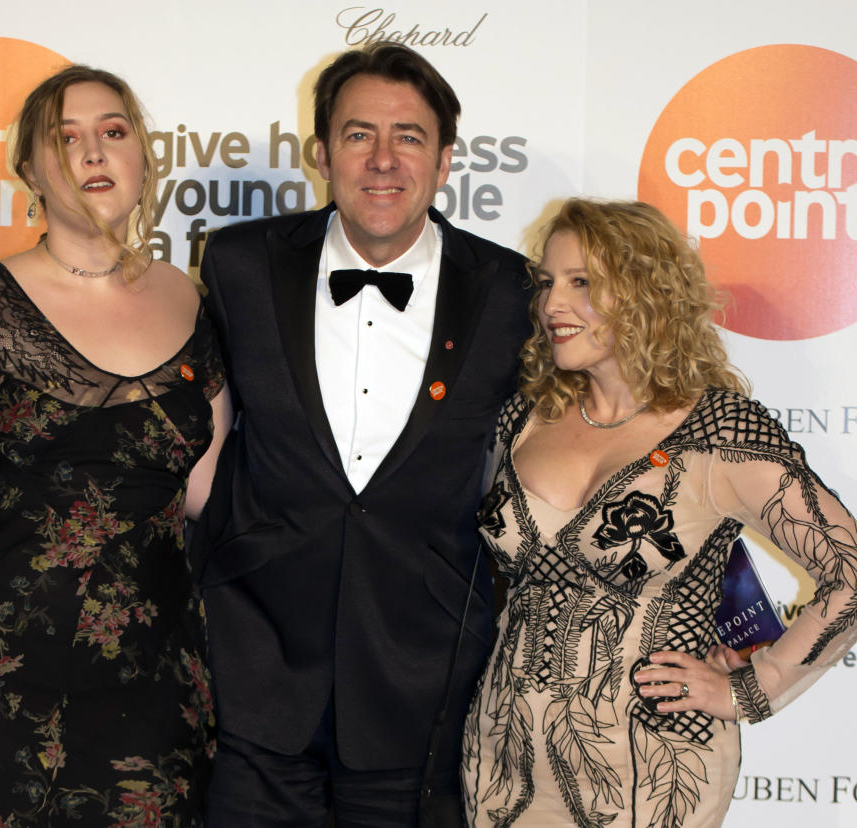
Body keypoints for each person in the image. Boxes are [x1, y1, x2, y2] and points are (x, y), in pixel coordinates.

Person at [0, 65, 230, 826]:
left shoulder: (198, 304)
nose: (93, 153)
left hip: (151, 697)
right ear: (31, 170)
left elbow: (205, 495)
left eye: (113, 132)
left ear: (145, 160)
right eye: (66, 138)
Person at [460, 198, 857, 827]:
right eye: (549, 283)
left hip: (654, 774)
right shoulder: (524, 417)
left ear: (643, 293)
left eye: (582, 283)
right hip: (504, 764)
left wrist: (754, 687)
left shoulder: (714, 430)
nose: (552, 304)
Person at [192, 43, 531, 825]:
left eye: (408, 137)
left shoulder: (512, 292)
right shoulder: (240, 264)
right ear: (320, 153)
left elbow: (589, 448)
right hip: (256, 665)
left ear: (447, 159)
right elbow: (183, 433)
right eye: (357, 135)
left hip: (427, 678)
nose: (383, 160)